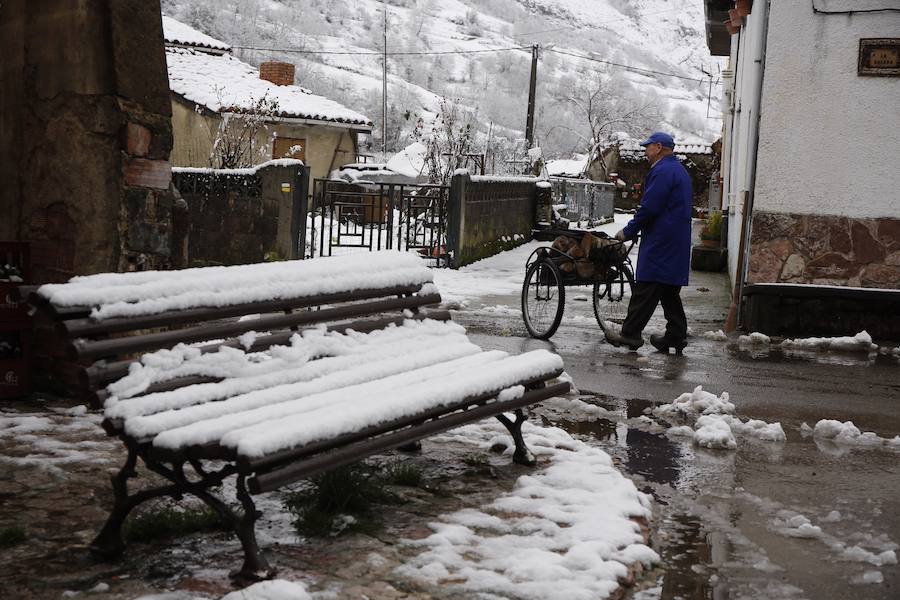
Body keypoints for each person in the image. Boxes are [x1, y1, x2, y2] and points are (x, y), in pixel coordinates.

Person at [605, 131, 692, 354]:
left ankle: (630, 334)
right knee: (669, 289)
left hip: (662, 239)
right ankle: (676, 335)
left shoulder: (662, 171)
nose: (645, 151)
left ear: (659, 147)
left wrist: (629, 230)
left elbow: (650, 207)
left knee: (646, 286)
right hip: (676, 238)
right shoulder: (679, 170)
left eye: (648, 147)